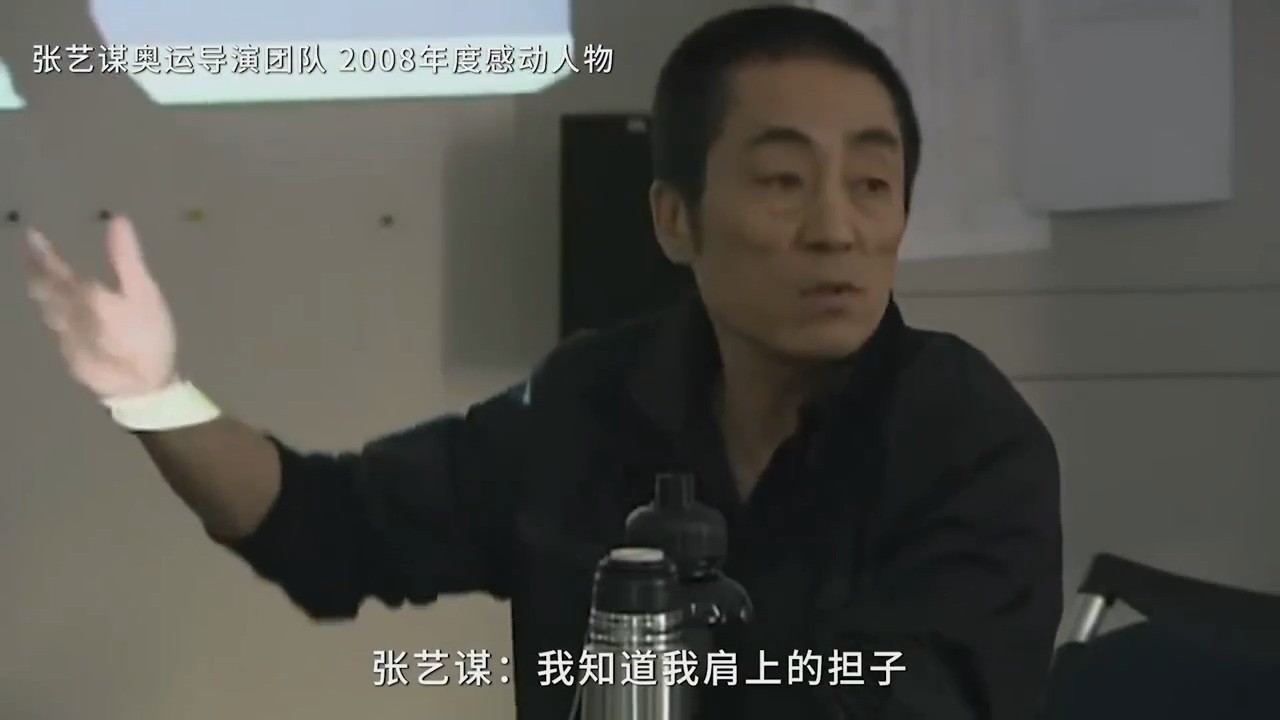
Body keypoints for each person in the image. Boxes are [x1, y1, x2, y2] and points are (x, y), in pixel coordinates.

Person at [22, 6, 1062, 720]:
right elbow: (328, 527)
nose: (837, 230)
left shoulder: (967, 438)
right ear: (674, 218)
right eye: (784, 181)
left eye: (872, 186)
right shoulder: (590, 401)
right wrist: (149, 394)